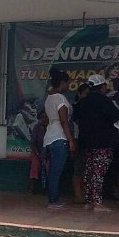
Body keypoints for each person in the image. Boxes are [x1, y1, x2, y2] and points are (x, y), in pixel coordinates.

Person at [73, 74, 119, 212]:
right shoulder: (105, 101)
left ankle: (89, 201)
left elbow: (75, 117)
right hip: (103, 143)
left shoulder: (82, 102)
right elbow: (116, 117)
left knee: (89, 172)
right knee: (98, 173)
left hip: (86, 142)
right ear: (102, 87)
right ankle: (97, 203)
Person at [43, 68, 75, 209]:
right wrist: (71, 140)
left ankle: (53, 198)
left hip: (49, 137)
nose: (68, 86)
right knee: (56, 172)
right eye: (67, 83)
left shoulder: (49, 98)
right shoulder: (60, 99)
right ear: (62, 83)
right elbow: (64, 121)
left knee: (53, 171)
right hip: (59, 137)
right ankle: (53, 200)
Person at [71, 83, 90, 204]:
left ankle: (84, 194)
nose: (87, 97)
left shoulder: (90, 108)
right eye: (86, 94)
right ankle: (78, 195)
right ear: (79, 94)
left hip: (88, 141)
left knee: (86, 169)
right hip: (77, 140)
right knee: (78, 168)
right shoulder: (75, 108)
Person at [28, 111, 49, 194]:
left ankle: (48, 188)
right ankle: (32, 187)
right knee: (35, 165)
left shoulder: (52, 128)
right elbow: (32, 143)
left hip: (49, 153)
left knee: (48, 165)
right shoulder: (37, 127)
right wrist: (38, 154)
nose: (44, 119)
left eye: (46, 117)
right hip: (37, 152)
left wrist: (47, 154)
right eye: (42, 117)